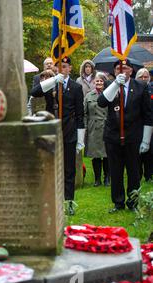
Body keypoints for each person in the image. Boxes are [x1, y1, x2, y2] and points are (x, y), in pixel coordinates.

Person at [31, 57, 85, 215]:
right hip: (52, 131)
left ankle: (68, 201)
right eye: (59, 66)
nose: (62, 69)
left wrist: (80, 139)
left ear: (70, 68)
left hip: (68, 131)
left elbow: (80, 114)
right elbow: (34, 92)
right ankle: (52, 200)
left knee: (69, 169)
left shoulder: (75, 87)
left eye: (65, 66)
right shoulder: (51, 83)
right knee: (50, 168)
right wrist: (53, 80)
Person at [97, 59, 152, 213]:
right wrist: (115, 84)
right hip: (113, 136)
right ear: (114, 71)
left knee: (134, 171)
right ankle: (118, 202)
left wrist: (146, 140)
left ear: (131, 71)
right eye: (117, 69)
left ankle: (133, 202)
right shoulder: (109, 85)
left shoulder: (140, 86)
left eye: (125, 68)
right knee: (115, 171)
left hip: (133, 136)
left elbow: (148, 115)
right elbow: (101, 102)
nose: (121, 71)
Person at [84, 72, 110, 187]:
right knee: (95, 155)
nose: (99, 82)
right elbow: (84, 113)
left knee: (107, 155)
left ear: (104, 83)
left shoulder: (109, 94)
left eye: (101, 81)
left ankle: (107, 178)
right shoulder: (89, 96)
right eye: (97, 81)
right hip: (93, 128)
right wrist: (85, 128)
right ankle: (97, 179)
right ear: (94, 82)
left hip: (106, 127)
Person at [135, 68, 152, 183]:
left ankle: (149, 174)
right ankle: (138, 174)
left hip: (150, 123)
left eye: (146, 77)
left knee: (150, 152)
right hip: (137, 125)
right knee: (137, 152)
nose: (144, 79)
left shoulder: (151, 89)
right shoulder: (135, 89)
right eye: (141, 77)